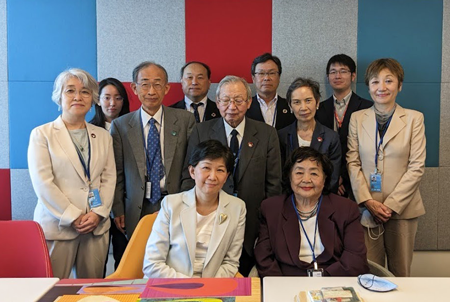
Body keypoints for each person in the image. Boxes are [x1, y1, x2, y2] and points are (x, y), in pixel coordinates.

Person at [181, 75, 282, 276]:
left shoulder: (267, 133)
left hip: (253, 223)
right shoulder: (201, 131)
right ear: (217, 103)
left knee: (244, 278)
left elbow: (274, 185)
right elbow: (188, 177)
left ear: (249, 102)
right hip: (208, 223)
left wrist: (266, 224)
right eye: (226, 100)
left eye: (238, 100)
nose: (232, 106)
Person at [28, 68, 116, 278]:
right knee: (52, 291)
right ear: (59, 96)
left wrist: (98, 214)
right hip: (58, 226)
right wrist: (73, 216)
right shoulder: (42, 134)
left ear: (93, 98)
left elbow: (109, 178)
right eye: (70, 91)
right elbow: (43, 183)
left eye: (85, 92)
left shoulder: (103, 135)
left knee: (91, 290)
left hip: (96, 227)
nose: (78, 97)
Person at [347, 58, 426, 277]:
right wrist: (367, 200)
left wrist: (390, 205)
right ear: (368, 86)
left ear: (399, 85)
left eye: (388, 81)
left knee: (400, 273)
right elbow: (352, 161)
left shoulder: (414, 119)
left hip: (402, 209)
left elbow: (417, 167)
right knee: (370, 272)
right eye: (375, 82)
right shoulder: (357, 118)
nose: (381, 87)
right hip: (367, 207)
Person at [111, 61, 196, 240]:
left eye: (157, 84)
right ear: (134, 88)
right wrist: (117, 209)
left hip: (174, 202)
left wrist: (186, 203)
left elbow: (191, 167)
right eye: (145, 84)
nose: (151, 91)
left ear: (166, 88)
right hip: (135, 206)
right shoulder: (121, 125)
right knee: (136, 261)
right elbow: (116, 172)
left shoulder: (184, 120)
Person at [254, 147, 369, 277]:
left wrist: (322, 284)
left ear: (325, 179)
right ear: (289, 176)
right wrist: (281, 286)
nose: (306, 179)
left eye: (314, 173)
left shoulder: (346, 208)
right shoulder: (271, 208)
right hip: (287, 282)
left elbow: (355, 258)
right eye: (299, 173)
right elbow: (264, 257)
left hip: (335, 282)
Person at [143, 140, 246, 278]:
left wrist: (206, 289)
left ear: (226, 176)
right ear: (192, 171)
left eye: (220, 170)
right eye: (206, 168)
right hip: (171, 285)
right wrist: (191, 287)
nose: (212, 176)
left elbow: (230, 263)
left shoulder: (237, 208)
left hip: (212, 288)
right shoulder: (171, 204)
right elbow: (152, 263)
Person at [315, 54, 373, 198]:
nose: (337, 76)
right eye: (333, 72)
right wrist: (333, 178)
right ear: (327, 77)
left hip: (360, 182)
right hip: (326, 183)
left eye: (343, 71)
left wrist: (343, 177)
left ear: (353, 76)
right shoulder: (318, 109)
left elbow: (368, 148)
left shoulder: (367, 108)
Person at [89, 78, 130, 273]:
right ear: (98, 100)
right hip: (96, 207)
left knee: (124, 260)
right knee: (97, 263)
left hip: (125, 204)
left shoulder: (133, 128)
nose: (112, 103)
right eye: (107, 98)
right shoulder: (88, 129)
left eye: (118, 98)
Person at [278, 77, 341, 193]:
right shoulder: (281, 136)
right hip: (289, 199)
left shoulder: (331, 137)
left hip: (323, 199)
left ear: (317, 103)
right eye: (297, 102)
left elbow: (333, 178)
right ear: (290, 106)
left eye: (308, 100)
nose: (303, 108)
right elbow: (280, 175)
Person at [246, 53, 295, 130]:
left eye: (271, 73)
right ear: (253, 78)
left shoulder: (290, 106)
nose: (266, 78)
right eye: (261, 73)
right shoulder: (245, 107)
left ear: (279, 77)